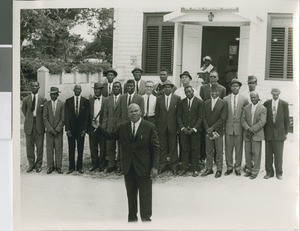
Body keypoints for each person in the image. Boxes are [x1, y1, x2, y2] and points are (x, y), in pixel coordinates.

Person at [98, 103, 159, 222]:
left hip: (144, 168)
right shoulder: (123, 127)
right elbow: (110, 136)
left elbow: (155, 148)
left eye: (136, 111)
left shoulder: (149, 127)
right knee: (131, 196)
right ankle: (132, 220)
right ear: (128, 114)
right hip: (128, 168)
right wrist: (98, 127)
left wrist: (155, 167)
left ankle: (146, 220)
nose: (134, 113)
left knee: (145, 196)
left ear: (141, 112)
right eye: (131, 111)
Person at [199, 70, 226, 164]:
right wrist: (207, 126)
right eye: (211, 76)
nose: (212, 78)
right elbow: (202, 103)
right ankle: (205, 159)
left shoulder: (222, 89)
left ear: (218, 78)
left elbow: (222, 105)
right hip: (207, 120)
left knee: (218, 146)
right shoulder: (203, 88)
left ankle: (216, 161)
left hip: (217, 122)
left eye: (214, 76)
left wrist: (216, 126)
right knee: (207, 143)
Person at [201, 83, 228, 178]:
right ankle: (209, 168)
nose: (214, 93)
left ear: (219, 92)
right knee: (208, 150)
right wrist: (207, 128)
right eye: (213, 91)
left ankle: (219, 169)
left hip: (218, 131)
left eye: (216, 91)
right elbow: (203, 117)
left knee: (219, 150)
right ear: (210, 92)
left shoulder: (223, 103)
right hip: (208, 131)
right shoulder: (206, 103)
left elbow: (223, 118)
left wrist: (213, 128)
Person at [223, 79, 248, 176]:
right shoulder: (225, 99)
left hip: (239, 128)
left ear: (239, 87)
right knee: (228, 149)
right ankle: (229, 167)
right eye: (233, 86)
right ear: (230, 87)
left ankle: (237, 167)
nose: (235, 87)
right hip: (229, 127)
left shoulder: (244, 99)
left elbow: (246, 113)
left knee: (238, 148)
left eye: (237, 86)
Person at [155, 80, 181, 175]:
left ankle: (174, 166)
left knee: (173, 146)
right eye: (165, 87)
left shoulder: (177, 98)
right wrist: (157, 127)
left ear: (172, 88)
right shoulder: (158, 99)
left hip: (173, 127)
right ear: (163, 89)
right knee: (162, 146)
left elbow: (179, 114)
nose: (167, 88)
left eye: (169, 87)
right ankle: (162, 165)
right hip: (161, 127)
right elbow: (157, 114)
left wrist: (178, 127)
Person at [263, 88, 289, 180]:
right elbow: (264, 119)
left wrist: (286, 132)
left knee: (278, 155)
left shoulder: (284, 104)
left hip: (279, 133)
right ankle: (269, 172)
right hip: (269, 133)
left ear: (279, 94)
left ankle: (279, 173)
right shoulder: (267, 104)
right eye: (273, 94)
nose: (275, 95)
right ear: (271, 94)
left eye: (277, 94)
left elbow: (286, 119)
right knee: (268, 154)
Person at [177, 86, 203, 177]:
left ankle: (195, 169)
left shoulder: (199, 102)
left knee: (195, 150)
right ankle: (184, 168)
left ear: (193, 91)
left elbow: (200, 117)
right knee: (184, 149)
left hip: (195, 131)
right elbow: (179, 116)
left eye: (190, 91)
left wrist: (195, 128)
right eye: (186, 92)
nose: (188, 93)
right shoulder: (181, 102)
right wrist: (182, 128)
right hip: (184, 131)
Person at [22, 81, 47, 173]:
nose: (34, 87)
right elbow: (25, 111)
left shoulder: (43, 100)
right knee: (29, 146)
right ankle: (31, 164)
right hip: (29, 126)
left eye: (36, 86)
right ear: (30, 87)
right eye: (32, 86)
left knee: (39, 147)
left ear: (39, 87)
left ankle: (38, 165)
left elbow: (44, 113)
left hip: (39, 126)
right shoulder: (25, 100)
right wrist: (30, 119)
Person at [241, 91, 267, 179]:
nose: (253, 99)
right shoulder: (246, 108)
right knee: (247, 152)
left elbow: (262, 121)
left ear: (258, 97)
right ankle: (248, 169)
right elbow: (243, 120)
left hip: (257, 134)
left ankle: (255, 171)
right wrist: (248, 129)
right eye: (251, 97)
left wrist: (253, 129)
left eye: (255, 97)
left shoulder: (263, 108)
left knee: (256, 153)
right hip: (247, 133)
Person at [64, 84, 90, 174]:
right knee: (71, 148)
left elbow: (87, 117)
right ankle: (71, 167)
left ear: (81, 90)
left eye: (79, 89)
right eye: (76, 89)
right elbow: (66, 116)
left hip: (81, 130)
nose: (77, 90)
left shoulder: (85, 101)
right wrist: (67, 129)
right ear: (73, 90)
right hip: (71, 129)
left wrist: (84, 130)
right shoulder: (68, 101)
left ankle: (79, 167)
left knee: (80, 148)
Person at [43, 87, 64, 174]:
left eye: (55, 94)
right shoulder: (46, 104)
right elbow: (44, 118)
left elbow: (63, 118)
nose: (53, 95)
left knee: (58, 148)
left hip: (58, 132)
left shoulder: (62, 104)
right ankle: (50, 166)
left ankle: (58, 166)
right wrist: (51, 130)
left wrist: (57, 129)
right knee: (50, 149)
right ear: (50, 94)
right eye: (52, 94)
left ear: (58, 95)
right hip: (50, 132)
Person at [102, 81, 123, 173]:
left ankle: (119, 164)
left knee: (120, 147)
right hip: (109, 126)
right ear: (112, 88)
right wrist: (104, 126)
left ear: (120, 88)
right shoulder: (107, 100)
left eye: (118, 87)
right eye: (114, 87)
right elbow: (105, 114)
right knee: (109, 146)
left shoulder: (123, 98)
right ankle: (111, 164)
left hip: (120, 126)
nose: (116, 88)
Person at [88, 82, 107, 172]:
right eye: (95, 89)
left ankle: (101, 165)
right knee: (93, 146)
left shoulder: (105, 100)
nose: (97, 91)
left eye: (99, 89)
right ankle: (94, 163)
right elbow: (88, 115)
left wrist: (103, 126)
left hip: (102, 127)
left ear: (101, 90)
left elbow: (107, 115)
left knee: (103, 146)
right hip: (92, 127)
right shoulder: (90, 101)